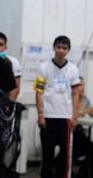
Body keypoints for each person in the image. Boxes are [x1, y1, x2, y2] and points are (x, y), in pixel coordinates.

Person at [35, 35, 80, 178]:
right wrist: (40, 114)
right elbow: (39, 92)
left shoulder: (73, 69)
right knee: (47, 157)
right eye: (58, 47)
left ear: (68, 50)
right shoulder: (43, 67)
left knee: (65, 157)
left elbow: (75, 94)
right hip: (48, 117)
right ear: (54, 48)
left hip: (65, 118)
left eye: (64, 48)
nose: (61, 50)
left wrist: (75, 116)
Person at [0, 31, 22, 100]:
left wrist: (8, 107)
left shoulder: (13, 62)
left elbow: (16, 89)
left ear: (5, 47)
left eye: (1, 44)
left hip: (3, 101)